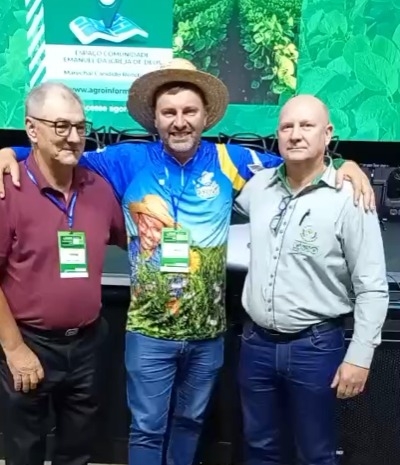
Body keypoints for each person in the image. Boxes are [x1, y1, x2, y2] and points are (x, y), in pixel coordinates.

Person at [0, 59, 374, 465]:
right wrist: (11, 150)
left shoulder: (231, 160)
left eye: (189, 111)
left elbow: (302, 161)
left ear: (205, 116)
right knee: (146, 429)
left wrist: (346, 165)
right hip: (148, 334)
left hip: (207, 336)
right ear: (155, 119)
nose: (180, 122)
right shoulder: (126, 160)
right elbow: (60, 153)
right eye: (169, 112)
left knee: (190, 423)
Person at [234, 94, 389, 465]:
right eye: (287, 126)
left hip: (315, 348)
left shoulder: (351, 197)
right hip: (256, 344)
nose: (295, 134)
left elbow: (372, 286)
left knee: (315, 453)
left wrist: (360, 357)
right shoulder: (258, 187)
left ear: (327, 133)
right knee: (259, 447)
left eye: (307, 126)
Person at [0, 82, 126, 465]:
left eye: (80, 126)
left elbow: (131, 239)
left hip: (88, 345)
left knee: (79, 450)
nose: (73, 137)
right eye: (61, 126)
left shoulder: (98, 189)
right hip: (29, 344)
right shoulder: (7, 190)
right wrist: (15, 350)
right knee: (25, 450)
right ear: (31, 129)